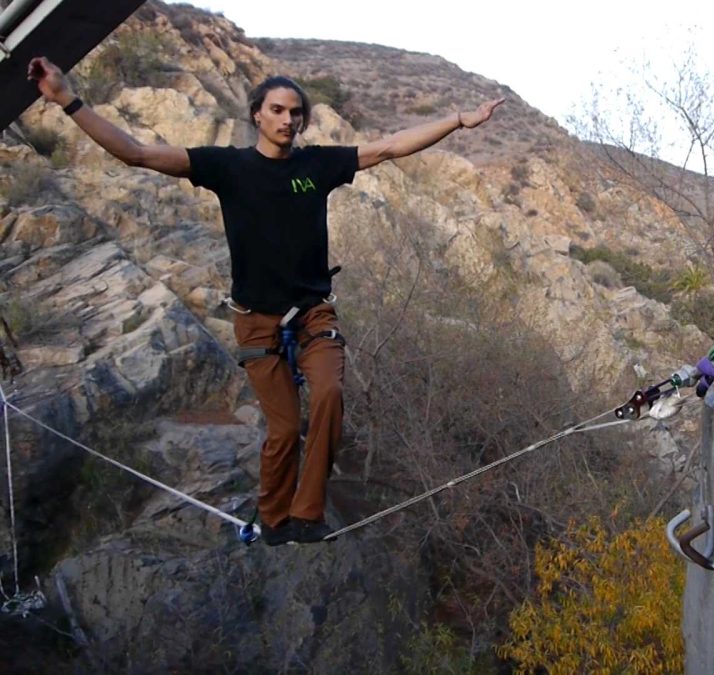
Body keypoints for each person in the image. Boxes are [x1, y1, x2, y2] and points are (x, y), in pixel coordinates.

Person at [27, 56, 504, 546]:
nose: (287, 120)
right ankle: (274, 519)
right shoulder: (228, 168)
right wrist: (67, 98)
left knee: (328, 395)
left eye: (295, 112)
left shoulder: (315, 165)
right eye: (277, 110)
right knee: (281, 428)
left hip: (314, 314)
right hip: (257, 322)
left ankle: (307, 513)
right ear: (257, 113)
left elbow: (388, 147)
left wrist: (458, 121)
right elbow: (136, 153)